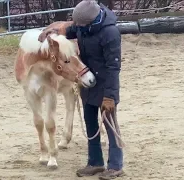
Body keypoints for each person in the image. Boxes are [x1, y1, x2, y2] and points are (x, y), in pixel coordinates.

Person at [39, 0, 124, 179]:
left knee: (110, 125)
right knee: (90, 123)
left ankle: (116, 165)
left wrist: (110, 96)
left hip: (105, 83)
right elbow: (70, 30)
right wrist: (54, 31)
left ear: (92, 20)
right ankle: (95, 162)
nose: (78, 26)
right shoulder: (84, 27)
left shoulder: (110, 33)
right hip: (87, 80)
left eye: (81, 23)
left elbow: (113, 68)